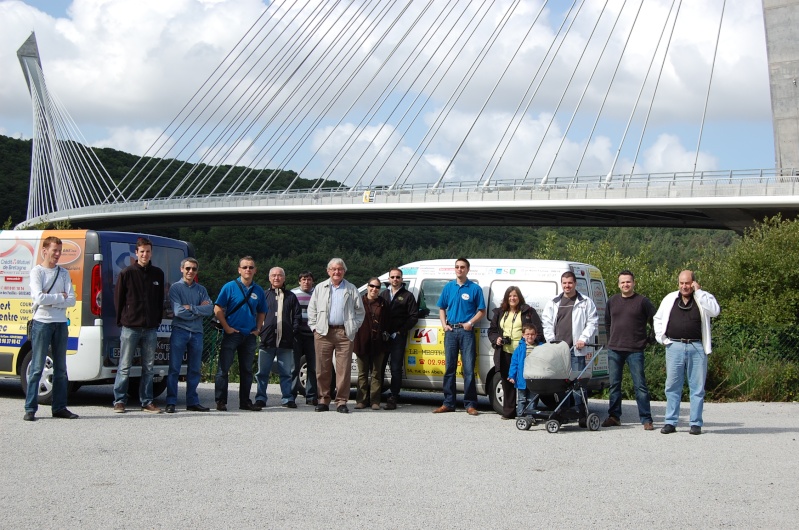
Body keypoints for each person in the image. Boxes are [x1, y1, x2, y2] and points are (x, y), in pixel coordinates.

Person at [654, 270, 720, 435]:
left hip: (696, 347)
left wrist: (699, 292)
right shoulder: (670, 299)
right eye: (681, 283)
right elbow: (658, 318)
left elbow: (715, 311)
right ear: (678, 284)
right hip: (674, 346)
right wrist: (662, 339)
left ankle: (695, 423)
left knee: (697, 387)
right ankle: (670, 422)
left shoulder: (703, 298)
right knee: (672, 386)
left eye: (688, 283)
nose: (684, 286)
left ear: (694, 283)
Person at [24, 236, 77, 421]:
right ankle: (30, 408)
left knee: (61, 368)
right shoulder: (37, 272)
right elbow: (38, 298)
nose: (57, 254)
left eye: (59, 251)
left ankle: (60, 407)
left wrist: (53, 299)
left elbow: (72, 299)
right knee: (37, 366)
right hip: (42, 323)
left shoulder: (63, 273)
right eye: (54, 250)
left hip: (61, 323)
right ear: (44, 251)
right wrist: (59, 298)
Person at [112, 237, 166, 414]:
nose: (145, 254)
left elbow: (160, 301)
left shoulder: (158, 274)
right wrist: (122, 320)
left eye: (148, 251)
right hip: (130, 327)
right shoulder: (126, 273)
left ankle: (147, 401)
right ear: (136, 253)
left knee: (149, 367)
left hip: (150, 328)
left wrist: (157, 320)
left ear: (151, 253)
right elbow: (118, 299)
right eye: (142, 251)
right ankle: (119, 400)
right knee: (124, 366)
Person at [307, 258, 365, 413]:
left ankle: (341, 401)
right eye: (333, 269)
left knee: (343, 369)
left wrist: (353, 328)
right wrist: (314, 328)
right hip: (323, 332)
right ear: (328, 271)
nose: (336, 272)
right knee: (322, 368)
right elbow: (311, 310)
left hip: (344, 333)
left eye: (339, 269)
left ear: (344, 271)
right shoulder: (320, 288)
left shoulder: (351, 289)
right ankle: (323, 400)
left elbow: (360, 312)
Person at [541, 271, 598, 426]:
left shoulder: (585, 302)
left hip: (577, 350)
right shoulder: (553, 302)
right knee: (560, 383)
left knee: (578, 384)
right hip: (559, 351)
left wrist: (583, 339)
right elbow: (546, 323)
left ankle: (581, 414)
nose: (567, 286)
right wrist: (552, 342)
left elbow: (592, 322)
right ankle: (562, 411)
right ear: (561, 284)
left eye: (570, 283)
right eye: (564, 283)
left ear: (575, 284)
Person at [602, 270, 656, 430]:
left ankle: (646, 419)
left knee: (640, 385)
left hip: (635, 349)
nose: (625, 284)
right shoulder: (612, 301)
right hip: (614, 349)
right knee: (614, 385)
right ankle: (614, 417)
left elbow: (656, 320)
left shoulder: (642, 302)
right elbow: (607, 323)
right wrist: (611, 338)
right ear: (618, 284)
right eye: (622, 282)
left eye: (628, 282)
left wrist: (650, 339)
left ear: (634, 283)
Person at [214, 256, 267, 412]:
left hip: (249, 335)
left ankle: (245, 402)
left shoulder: (258, 290)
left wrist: (258, 329)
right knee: (223, 369)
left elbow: (262, 311)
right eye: (245, 267)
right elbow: (217, 308)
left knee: (246, 370)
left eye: (251, 267)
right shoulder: (229, 287)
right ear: (239, 269)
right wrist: (226, 327)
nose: (248, 270)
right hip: (232, 333)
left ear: (255, 270)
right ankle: (220, 401)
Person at [434, 258, 486, 416]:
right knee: (449, 368)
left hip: (466, 332)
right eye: (457, 267)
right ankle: (448, 403)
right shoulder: (449, 287)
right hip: (451, 332)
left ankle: (470, 404)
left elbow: (482, 310)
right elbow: (441, 308)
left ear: (468, 269)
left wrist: (470, 322)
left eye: (462, 267)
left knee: (469, 369)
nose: (459, 269)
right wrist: (444, 325)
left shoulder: (475, 288)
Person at [165, 257, 214, 414]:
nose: (190, 271)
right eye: (187, 268)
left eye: (193, 269)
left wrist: (191, 308)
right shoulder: (175, 288)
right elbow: (178, 312)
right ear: (182, 269)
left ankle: (192, 401)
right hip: (180, 330)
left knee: (194, 369)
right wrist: (199, 310)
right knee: (174, 368)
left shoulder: (201, 290)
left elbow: (210, 309)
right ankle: (171, 401)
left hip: (197, 333)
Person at [487, 286, 543, 419]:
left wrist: (530, 342)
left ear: (519, 297)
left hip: (524, 353)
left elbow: (539, 331)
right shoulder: (500, 312)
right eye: (510, 296)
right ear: (506, 298)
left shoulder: (528, 312)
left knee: (528, 382)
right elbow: (492, 330)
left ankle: (529, 413)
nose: (512, 298)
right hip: (505, 351)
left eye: (515, 296)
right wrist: (497, 339)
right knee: (507, 381)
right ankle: (509, 411)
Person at [255, 267, 301, 409]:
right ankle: (261, 398)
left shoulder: (291, 296)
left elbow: (297, 316)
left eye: (279, 275)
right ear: (269, 278)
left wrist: (293, 331)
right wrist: (260, 331)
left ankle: (287, 398)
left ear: (284, 278)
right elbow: (257, 314)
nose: (276, 278)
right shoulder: (263, 295)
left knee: (286, 373)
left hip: (285, 341)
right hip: (267, 340)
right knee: (262, 372)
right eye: (273, 275)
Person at [379, 267, 418, 410]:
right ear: (389, 279)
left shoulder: (408, 296)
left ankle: (394, 395)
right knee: (380, 366)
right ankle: (376, 396)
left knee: (395, 368)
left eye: (397, 277)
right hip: (383, 337)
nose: (395, 279)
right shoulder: (383, 294)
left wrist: (401, 331)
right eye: (392, 277)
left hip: (398, 337)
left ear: (401, 279)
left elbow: (413, 316)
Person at [354, 277, 389, 410]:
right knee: (362, 373)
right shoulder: (359, 302)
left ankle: (375, 401)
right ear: (367, 287)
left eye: (377, 287)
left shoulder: (383, 303)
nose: (374, 289)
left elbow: (387, 322)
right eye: (372, 286)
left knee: (376, 373)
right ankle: (361, 400)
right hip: (362, 341)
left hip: (378, 343)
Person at [291, 270, 318, 405]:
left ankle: (311, 396)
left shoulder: (318, 294)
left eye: (308, 279)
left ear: (312, 281)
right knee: (294, 366)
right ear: (299, 281)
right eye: (303, 279)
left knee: (313, 367)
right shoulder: (293, 294)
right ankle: (291, 396)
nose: (306, 282)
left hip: (313, 334)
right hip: (297, 334)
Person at [507, 324, 544, 417]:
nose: (530, 336)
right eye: (527, 334)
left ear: (536, 335)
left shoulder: (540, 347)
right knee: (522, 399)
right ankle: (520, 416)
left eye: (532, 334)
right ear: (523, 335)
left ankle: (530, 416)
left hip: (535, 377)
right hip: (522, 378)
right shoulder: (519, 348)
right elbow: (514, 363)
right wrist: (512, 375)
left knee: (532, 399)